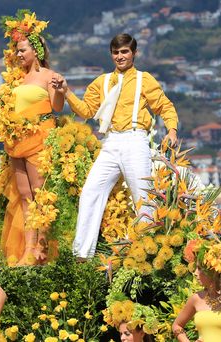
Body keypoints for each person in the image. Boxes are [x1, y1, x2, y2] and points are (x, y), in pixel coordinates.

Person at [55, 33, 179, 259]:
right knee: (91, 192)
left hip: (135, 139)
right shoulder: (101, 82)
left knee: (143, 196)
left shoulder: (144, 79)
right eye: (116, 52)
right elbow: (86, 111)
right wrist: (66, 91)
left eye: (124, 52)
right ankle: (82, 254)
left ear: (134, 53)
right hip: (111, 141)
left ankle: (148, 251)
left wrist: (172, 130)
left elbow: (164, 106)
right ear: (111, 54)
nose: (120, 56)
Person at [0, 11, 65, 265]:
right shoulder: (16, 78)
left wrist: (59, 91)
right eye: (16, 51)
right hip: (16, 143)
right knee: (25, 195)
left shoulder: (48, 75)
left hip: (39, 139)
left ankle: (42, 248)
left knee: (40, 194)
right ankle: (28, 248)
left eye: (23, 49)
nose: (18, 54)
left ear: (36, 50)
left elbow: (57, 106)